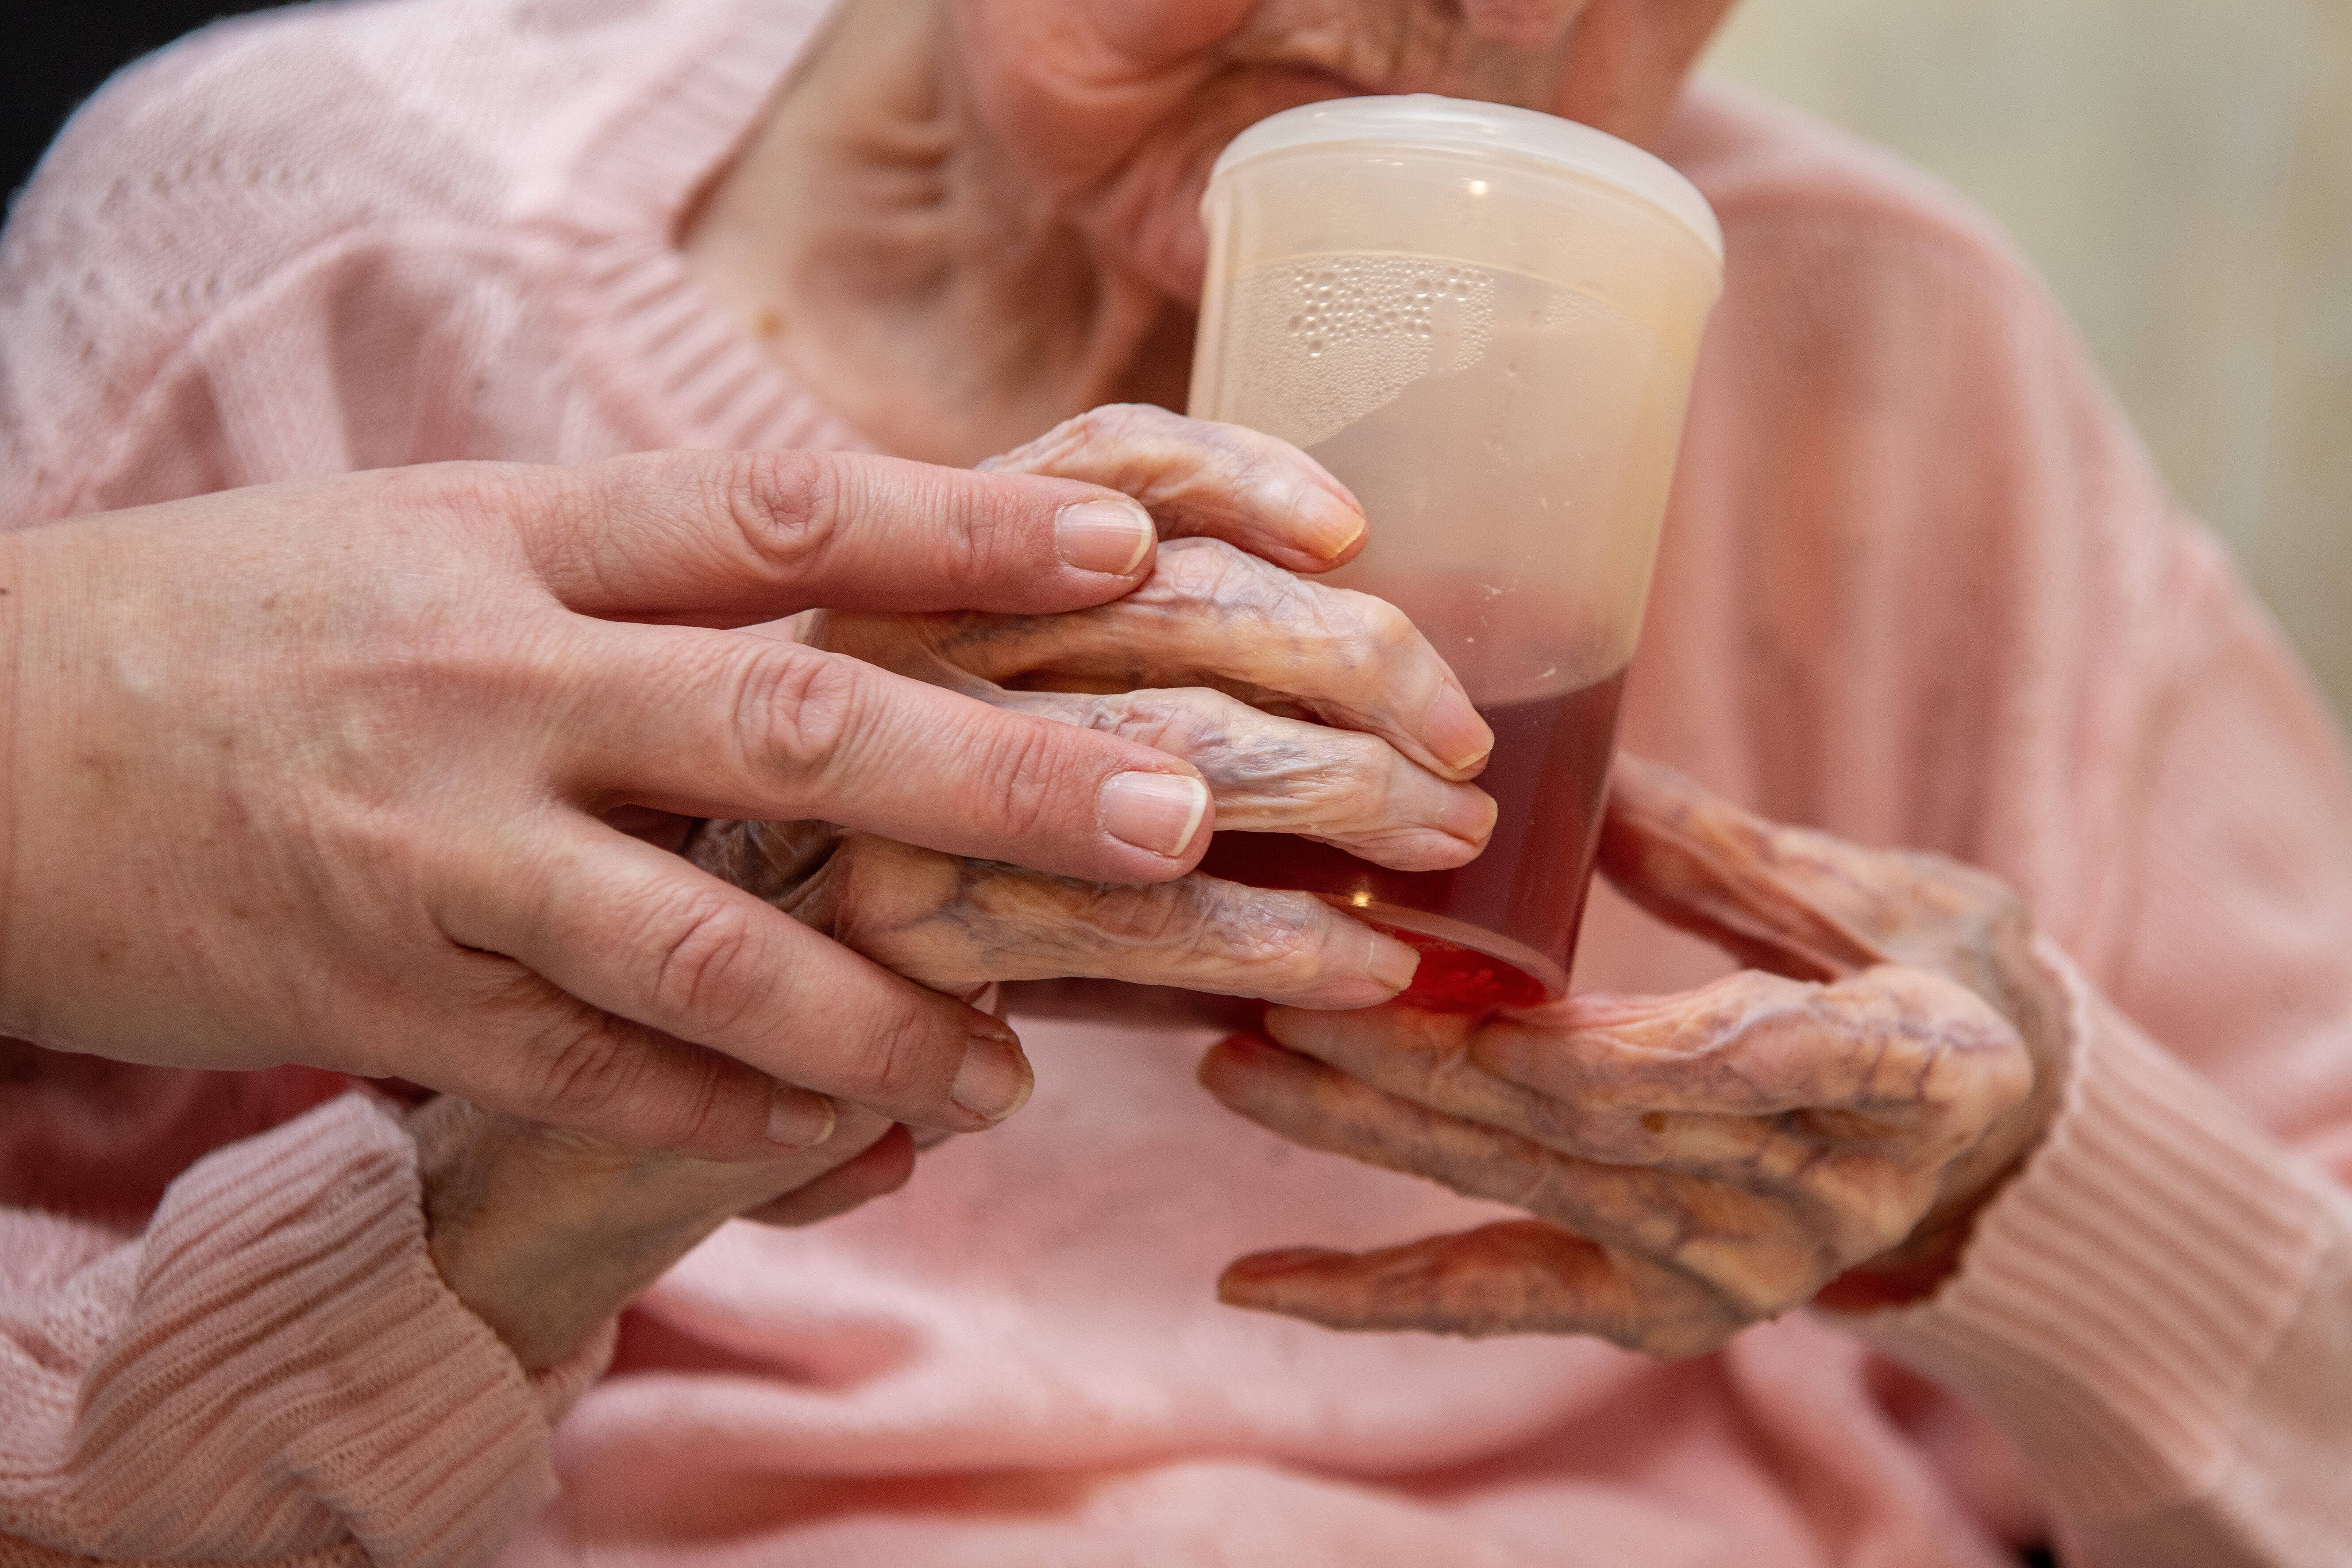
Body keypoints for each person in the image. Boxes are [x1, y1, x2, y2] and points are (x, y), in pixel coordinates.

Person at [1, 1, 2347, 1566]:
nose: (1509, 24)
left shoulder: (1888, 353)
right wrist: (535, 1179)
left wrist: (2033, 1193)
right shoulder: (306, 261)